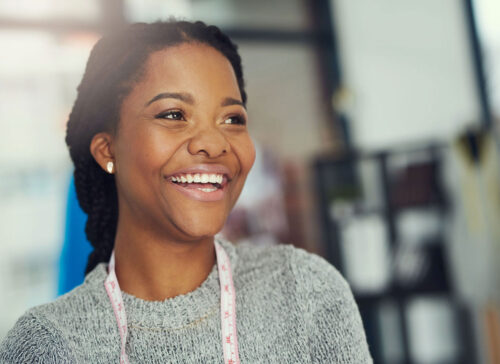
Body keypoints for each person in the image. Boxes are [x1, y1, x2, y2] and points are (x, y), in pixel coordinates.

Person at [0, 19, 373, 363]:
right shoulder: (48, 345)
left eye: (232, 119)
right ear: (107, 150)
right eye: (174, 115)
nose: (214, 143)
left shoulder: (305, 291)